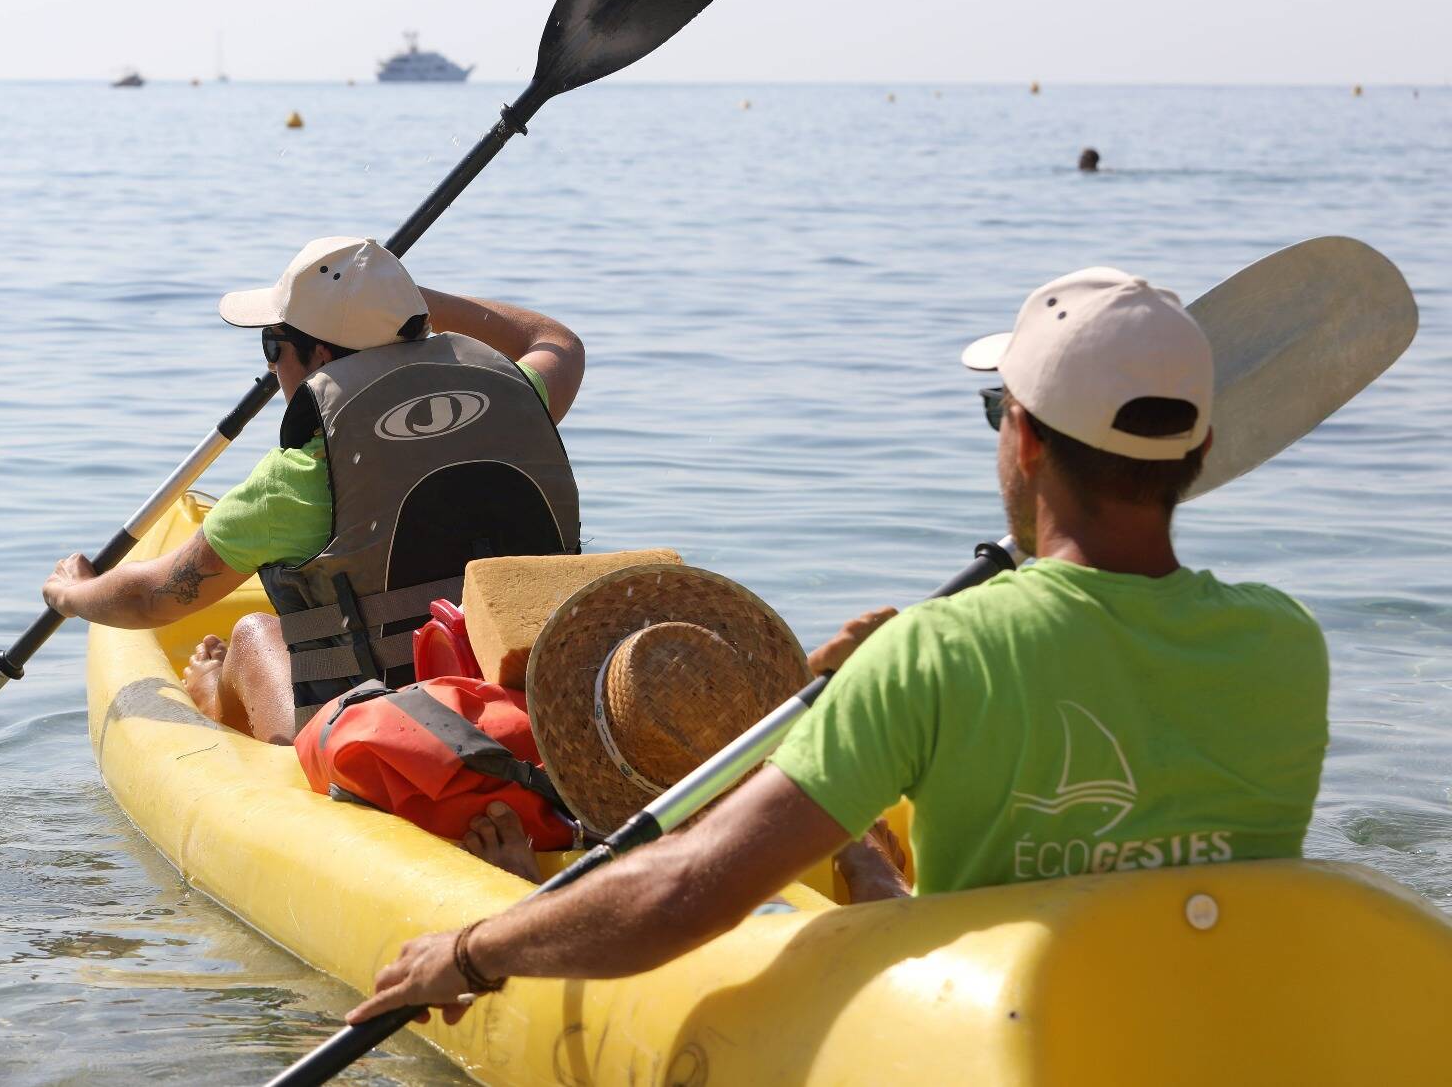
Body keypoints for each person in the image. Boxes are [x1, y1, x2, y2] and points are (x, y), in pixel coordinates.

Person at [347, 265, 1328, 1027]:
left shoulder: (939, 651)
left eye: (998, 413)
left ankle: (842, 868)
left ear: (1021, 437)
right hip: (1210, 1019)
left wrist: (470, 951)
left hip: (997, 1034)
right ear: (1198, 453)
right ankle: (866, 869)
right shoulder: (1287, 642)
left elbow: (688, 891)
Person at [43, 235, 585, 745]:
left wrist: (74, 595)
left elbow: (152, 598)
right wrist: (403, 300)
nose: (272, 365)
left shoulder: (296, 479)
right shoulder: (522, 400)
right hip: (521, 688)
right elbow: (554, 340)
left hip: (382, 728)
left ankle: (217, 694)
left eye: (273, 346)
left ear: (320, 357)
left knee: (256, 632)